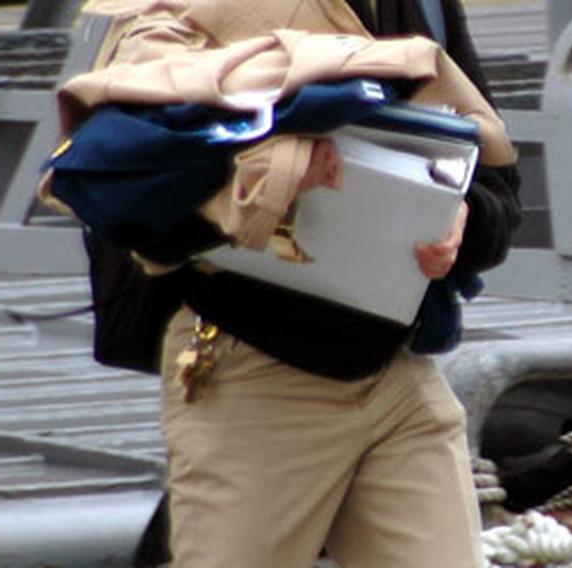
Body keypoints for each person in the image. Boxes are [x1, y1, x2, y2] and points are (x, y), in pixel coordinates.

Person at [50, 0, 521, 566]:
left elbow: (497, 186)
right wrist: (269, 174)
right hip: (252, 375)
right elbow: (125, 195)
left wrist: (462, 217)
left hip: (397, 373)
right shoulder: (180, 14)